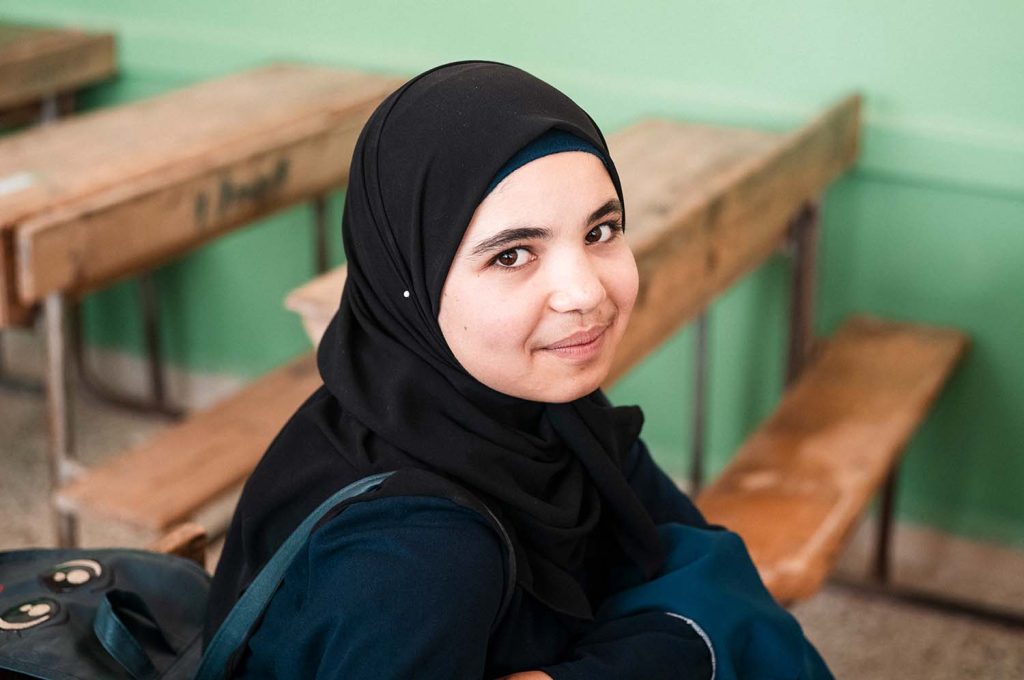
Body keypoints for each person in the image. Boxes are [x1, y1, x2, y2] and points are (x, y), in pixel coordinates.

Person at [205, 60, 830, 680]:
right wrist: (680, 638)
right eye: (511, 255)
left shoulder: (541, 410)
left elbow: (711, 570)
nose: (583, 292)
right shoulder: (418, 555)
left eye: (602, 230)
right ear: (410, 286)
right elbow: (710, 600)